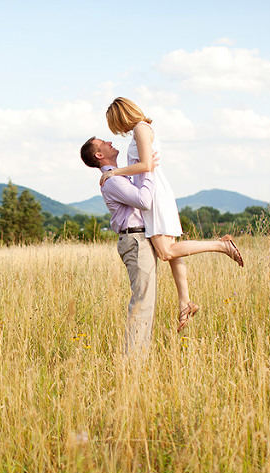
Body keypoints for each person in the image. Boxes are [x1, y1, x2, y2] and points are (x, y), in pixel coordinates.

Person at [97, 97, 244, 332]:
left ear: (121, 115)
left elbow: (146, 165)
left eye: (115, 123)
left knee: (166, 252)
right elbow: (145, 166)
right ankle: (185, 302)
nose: (117, 130)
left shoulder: (141, 129)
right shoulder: (139, 131)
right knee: (172, 251)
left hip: (155, 194)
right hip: (154, 190)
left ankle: (222, 246)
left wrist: (116, 172)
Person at [80, 136, 157, 357]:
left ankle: (138, 357)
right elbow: (144, 201)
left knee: (145, 301)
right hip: (135, 240)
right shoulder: (113, 181)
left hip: (138, 239)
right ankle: (133, 361)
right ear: (99, 155)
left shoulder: (117, 175)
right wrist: (149, 171)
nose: (110, 142)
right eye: (104, 142)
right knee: (142, 302)